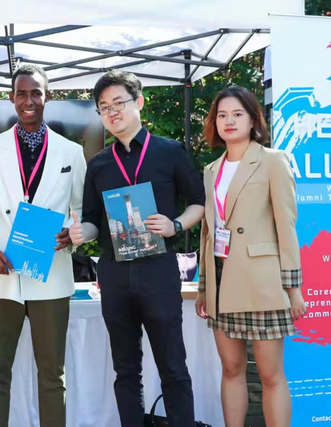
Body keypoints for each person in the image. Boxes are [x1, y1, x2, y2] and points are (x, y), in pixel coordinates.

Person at [70, 70, 205, 427]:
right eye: (104, 107)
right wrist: (78, 233)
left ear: (139, 103)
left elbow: (199, 203)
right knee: (125, 369)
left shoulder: (169, 151)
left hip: (159, 271)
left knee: (173, 366)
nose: (113, 112)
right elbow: (92, 220)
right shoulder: (98, 164)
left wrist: (175, 224)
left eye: (119, 103)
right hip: (115, 275)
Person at [0, 64, 86, 427]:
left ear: (46, 96)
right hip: (1, 274)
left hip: (51, 272)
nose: (29, 100)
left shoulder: (71, 152)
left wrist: (72, 233)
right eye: (22, 93)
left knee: (53, 376)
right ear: (11, 98)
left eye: (36, 92)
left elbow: (81, 211)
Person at [195, 85, 306, 427]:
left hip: (262, 283)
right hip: (221, 280)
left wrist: (294, 287)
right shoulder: (211, 169)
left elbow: (287, 227)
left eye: (237, 114)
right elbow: (208, 232)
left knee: (271, 375)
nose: (228, 121)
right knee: (230, 370)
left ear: (254, 119)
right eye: (222, 115)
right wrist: (203, 286)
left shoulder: (273, 160)